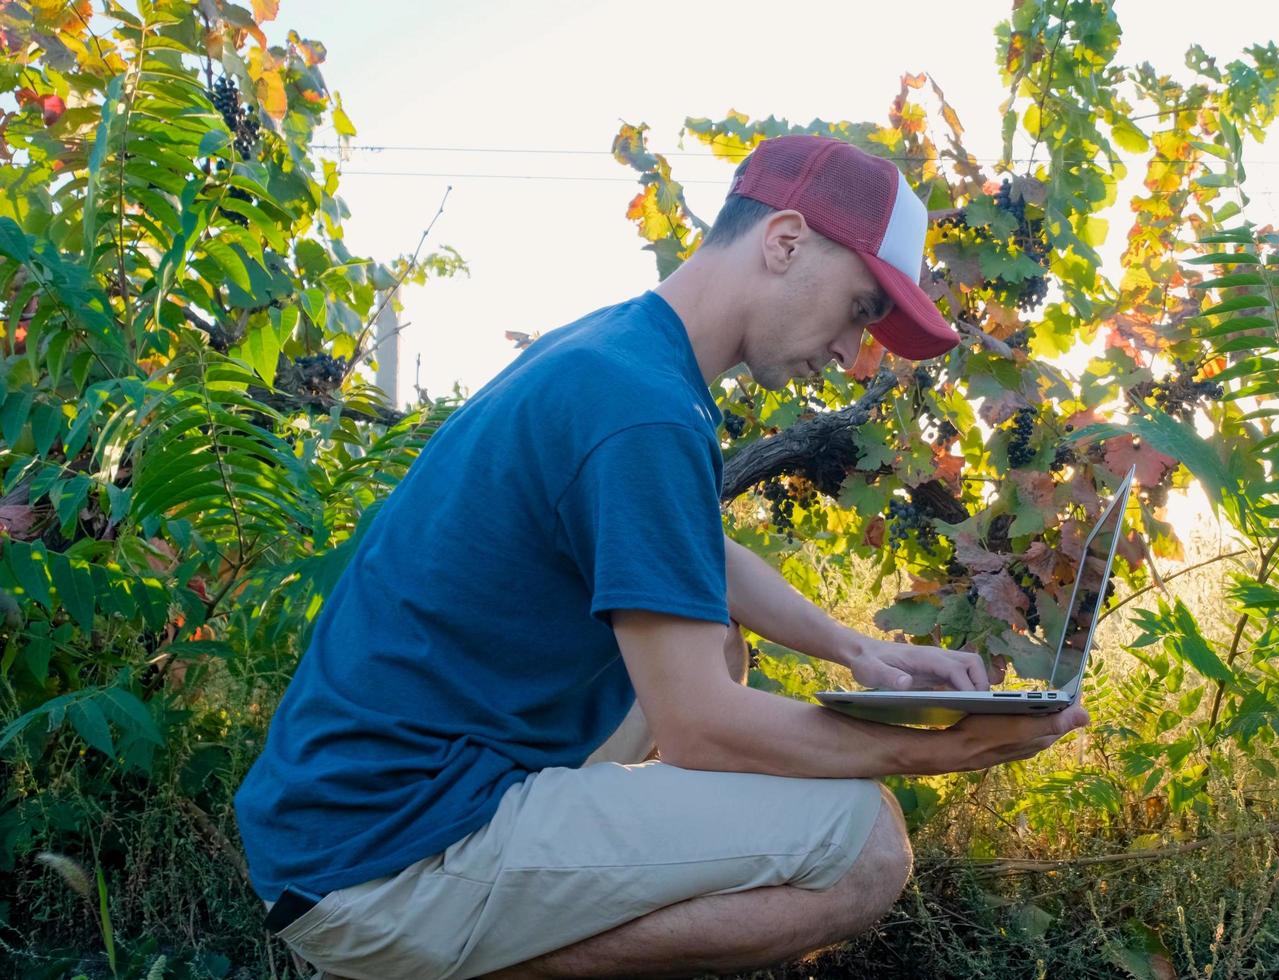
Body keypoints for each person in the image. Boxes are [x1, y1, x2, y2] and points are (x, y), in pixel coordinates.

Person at [233, 134, 1090, 980]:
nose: (848, 354)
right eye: (861, 310)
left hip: (348, 799)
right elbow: (702, 725)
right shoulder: (639, 407)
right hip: (382, 852)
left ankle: (482, 924)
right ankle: (443, 963)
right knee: (865, 848)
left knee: (717, 641)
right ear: (785, 242)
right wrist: (931, 749)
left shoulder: (620, 349)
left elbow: (693, 547)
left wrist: (862, 651)